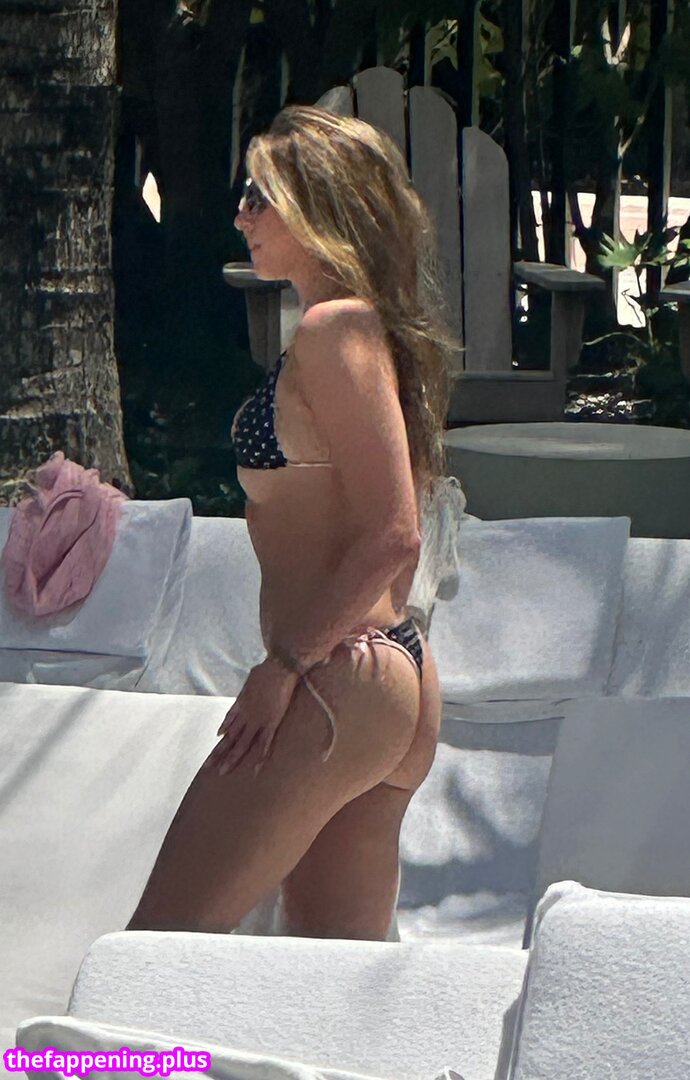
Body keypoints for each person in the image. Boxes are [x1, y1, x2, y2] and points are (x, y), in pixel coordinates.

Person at [126, 104, 461, 941]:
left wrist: (282, 668)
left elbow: (395, 531)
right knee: (320, 984)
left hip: (336, 678)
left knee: (155, 951)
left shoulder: (335, 329)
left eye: (258, 197)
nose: (240, 215)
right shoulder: (366, 332)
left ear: (317, 211)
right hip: (381, 679)